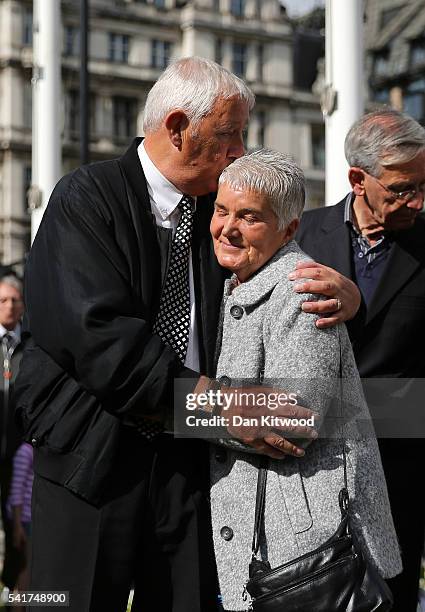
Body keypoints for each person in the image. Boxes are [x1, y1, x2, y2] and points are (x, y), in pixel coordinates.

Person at [15, 57, 361, 612]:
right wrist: (219, 410)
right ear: (177, 129)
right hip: (92, 463)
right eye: (229, 134)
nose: (239, 151)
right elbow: (101, 341)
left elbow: (281, 254)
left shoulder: (215, 214)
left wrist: (348, 293)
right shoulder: (85, 197)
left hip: (191, 469)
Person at [208, 149, 401, 612]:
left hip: (307, 547)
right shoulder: (235, 277)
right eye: (221, 210)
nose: (227, 227)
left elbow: (294, 414)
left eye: (249, 217)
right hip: (277, 541)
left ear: (289, 229)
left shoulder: (302, 291)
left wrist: (183, 408)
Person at [295, 108, 425, 612]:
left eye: (421, 184)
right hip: (310, 472)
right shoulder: (300, 236)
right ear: (357, 179)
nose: (416, 200)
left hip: (401, 475)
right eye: (401, 189)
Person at [0, 273, 24, 592]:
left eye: (14, 300)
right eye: (3, 300)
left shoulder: (31, 345)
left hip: (21, 461)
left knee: (20, 531)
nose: (9, 306)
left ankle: (15, 593)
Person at [6, 442, 33, 612]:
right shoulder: (26, 451)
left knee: (27, 572)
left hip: (31, 519)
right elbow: (16, 491)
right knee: (26, 572)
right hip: (25, 520)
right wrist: (17, 526)